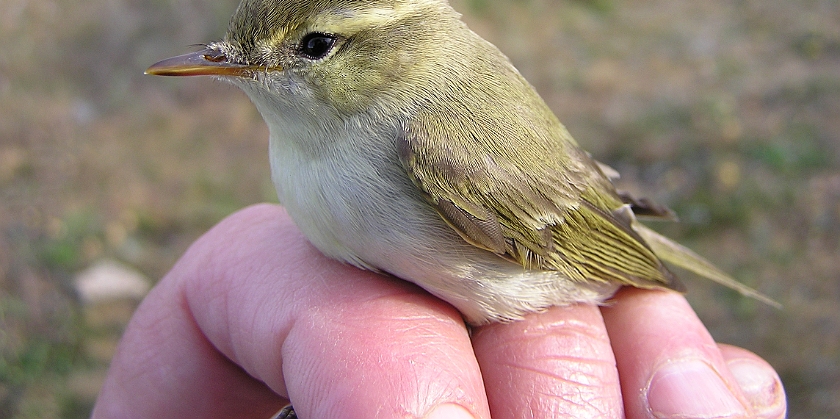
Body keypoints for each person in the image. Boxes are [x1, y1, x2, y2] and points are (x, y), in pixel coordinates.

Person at [91, 204, 786, 419]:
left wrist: (642, 264)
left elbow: (571, 228)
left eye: (309, 48)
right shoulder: (319, 158)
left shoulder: (429, 148)